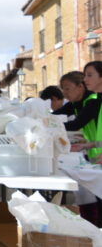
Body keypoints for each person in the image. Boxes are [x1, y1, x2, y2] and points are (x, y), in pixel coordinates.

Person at [53, 70, 101, 225]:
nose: (64, 93)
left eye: (67, 88)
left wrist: (50, 126)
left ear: (80, 87)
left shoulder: (92, 100)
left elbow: (76, 124)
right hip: (93, 150)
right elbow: (57, 115)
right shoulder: (75, 104)